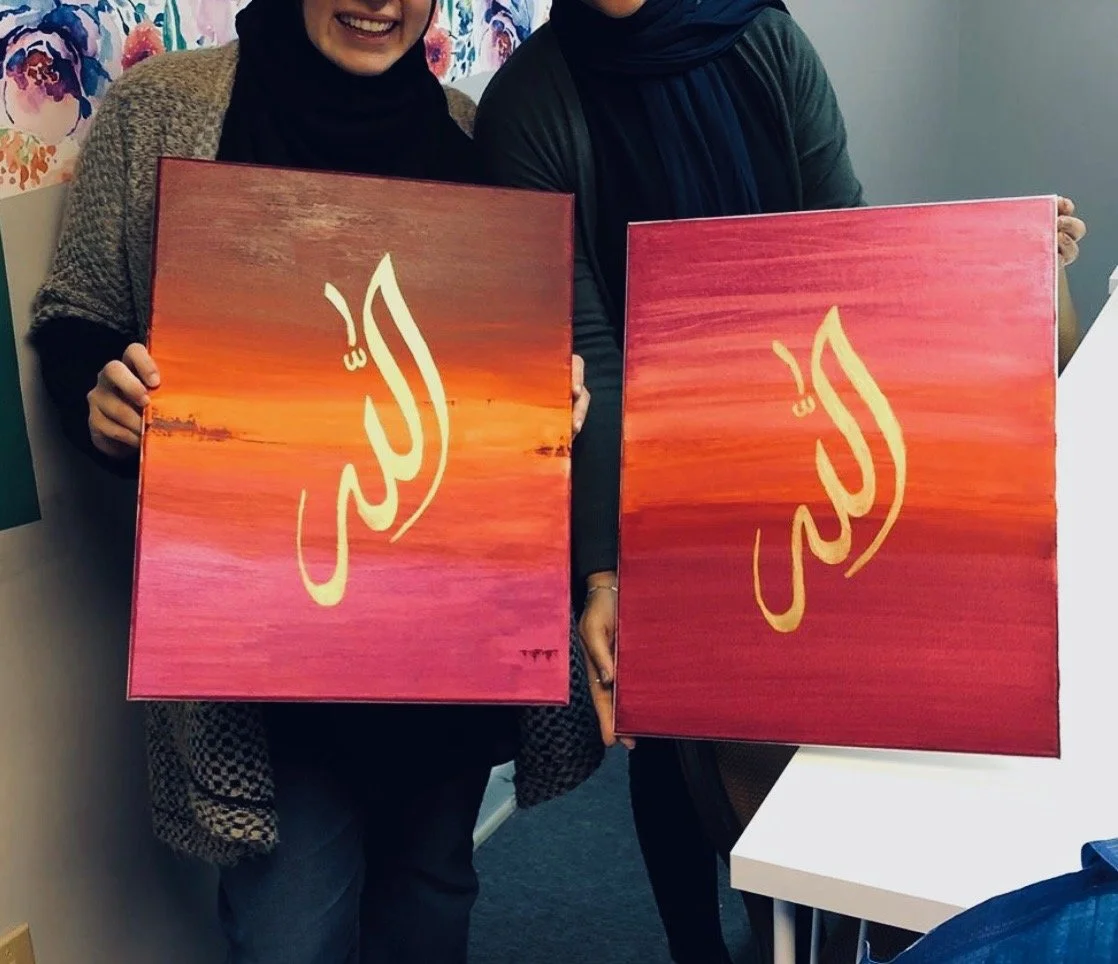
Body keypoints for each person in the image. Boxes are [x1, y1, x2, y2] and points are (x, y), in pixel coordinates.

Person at [474, 2, 1088, 962]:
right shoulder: (529, 104)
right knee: (672, 733)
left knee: (820, 719)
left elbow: (844, 239)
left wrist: (996, 259)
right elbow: (584, 342)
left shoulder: (758, 36)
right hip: (655, 469)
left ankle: (787, 930)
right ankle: (694, 944)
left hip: (808, 424)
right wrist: (606, 568)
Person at [28, 0, 594, 961]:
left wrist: (549, 390)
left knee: (431, 906)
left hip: (442, 652)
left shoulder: (467, 133)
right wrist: (106, 393)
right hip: (271, 671)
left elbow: (510, 359)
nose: (379, 3)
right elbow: (76, 312)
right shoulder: (167, 110)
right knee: (292, 933)